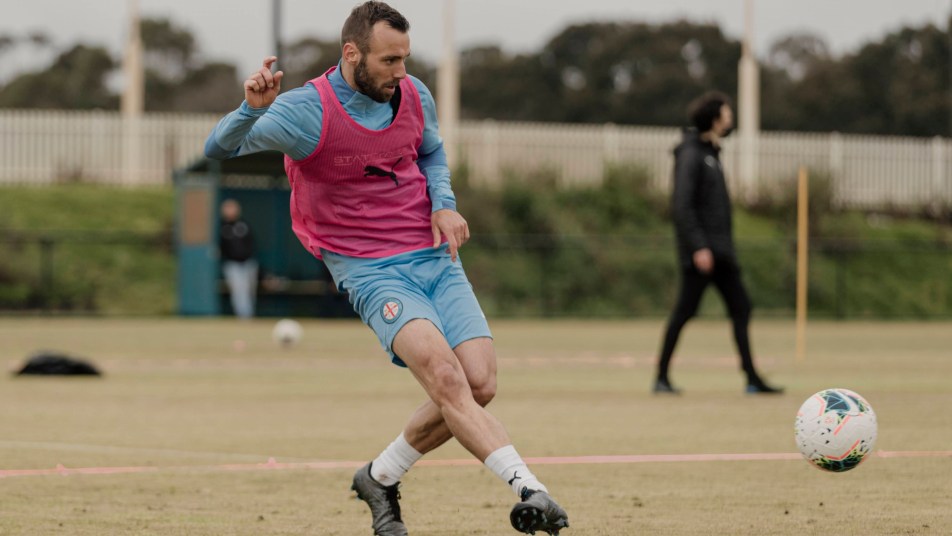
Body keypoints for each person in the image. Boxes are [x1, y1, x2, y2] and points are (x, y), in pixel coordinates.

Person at [203, 2, 569, 535]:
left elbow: (431, 153)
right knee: (446, 378)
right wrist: (250, 109)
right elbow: (219, 147)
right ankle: (530, 488)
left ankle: (379, 476)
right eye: (389, 61)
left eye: (405, 59)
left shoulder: (415, 94)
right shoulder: (307, 111)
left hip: (434, 256)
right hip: (370, 270)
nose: (401, 72)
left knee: (480, 383)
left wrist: (444, 204)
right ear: (352, 54)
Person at [653, 91, 783, 396]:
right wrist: (698, 246)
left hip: (721, 252)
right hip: (703, 254)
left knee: (741, 307)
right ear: (714, 118)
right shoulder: (691, 154)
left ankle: (752, 378)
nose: (731, 119)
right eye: (727, 114)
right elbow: (682, 205)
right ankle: (661, 378)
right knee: (684, 312)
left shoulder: (711, 153)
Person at [219, 199, 258, 319]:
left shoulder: (244, 225)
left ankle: (249, 314)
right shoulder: (222, 227)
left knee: (249, 290)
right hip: (232, 264)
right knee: (238, 290)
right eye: (227, 208)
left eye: (232, 208)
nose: (230, 211)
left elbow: (251, 243)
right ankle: (243, 316)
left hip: (248, 263)